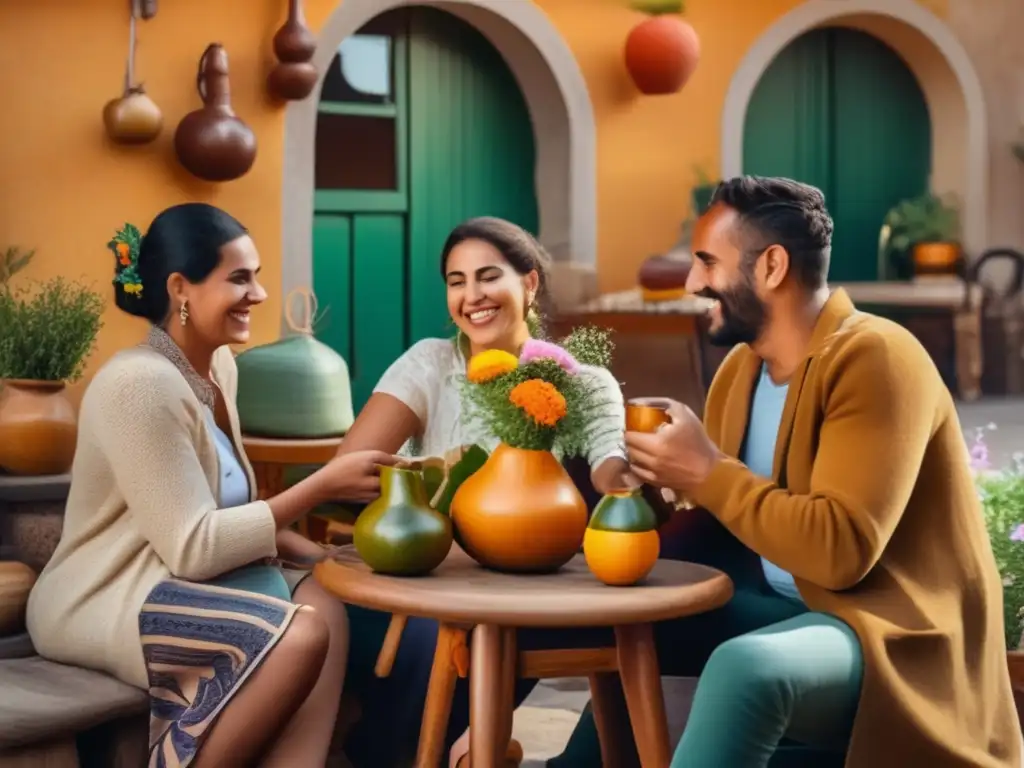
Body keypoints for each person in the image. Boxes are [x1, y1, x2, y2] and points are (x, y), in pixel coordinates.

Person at [617, 176, 1021, 766]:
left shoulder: (877, 357)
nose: (692, 282)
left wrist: (707, 471)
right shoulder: (740, 370)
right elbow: (729, 518)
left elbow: (842, 550)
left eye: (707, 262)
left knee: (747, 669)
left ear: (772, 267)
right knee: (632, 632)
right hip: (790, 607)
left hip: (890, 632)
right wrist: (650, 484)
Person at [26, 203, 396, 768]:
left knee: (324, 599)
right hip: (106, 598)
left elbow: (231, 507)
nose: (260, 295)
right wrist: (321, 485)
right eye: (240, 278)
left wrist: (309, 548)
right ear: (182, 289)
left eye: (258, 276)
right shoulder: (139, 385)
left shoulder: (220, 368)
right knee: (298, 636)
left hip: (180, 578)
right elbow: (194, 547)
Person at [334, 216, 635, 767]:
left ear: (530, 283)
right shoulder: (431, 363)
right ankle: (453, 747)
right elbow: (350, 471)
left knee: (473, 642)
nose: (471, 296)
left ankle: (468, 744)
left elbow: (611, 470)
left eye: (488, 276)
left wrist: (637, 477)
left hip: (522, 594)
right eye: (456, 281)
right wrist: (423, 478)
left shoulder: (582, 382)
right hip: (431, 580)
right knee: (423, 640)